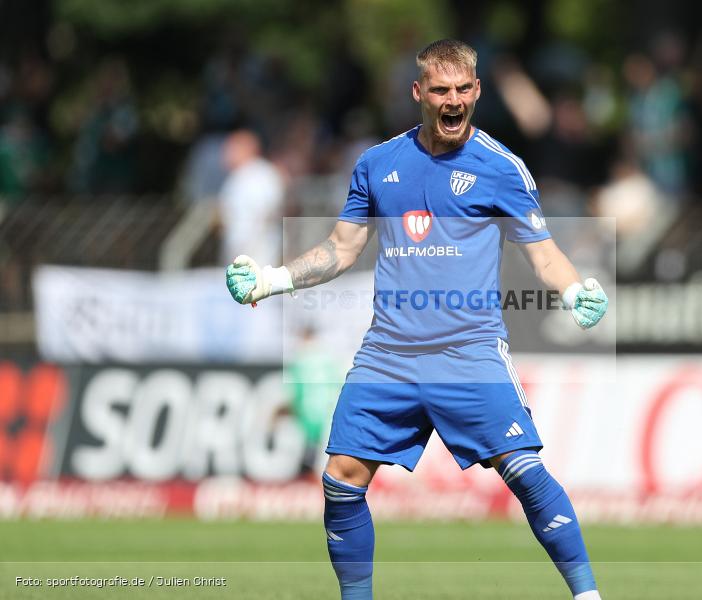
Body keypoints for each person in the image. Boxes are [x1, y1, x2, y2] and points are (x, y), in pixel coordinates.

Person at [226, 39, 608, 600]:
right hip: (389, 355)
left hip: (468, 352)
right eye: (441, 90)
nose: (453, 101)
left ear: (477, 90)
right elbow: (341, 248)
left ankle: (587, 596)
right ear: (418, 93)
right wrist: (272, 279)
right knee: (340, 480)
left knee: (524, 471)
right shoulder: (378, 164)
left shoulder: (501, 167)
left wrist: (575, 291)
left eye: (463, 90)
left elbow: (544, 254)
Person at [218, 129, 284, 267]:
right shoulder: (238, 176)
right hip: (239, 249)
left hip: (259, 249)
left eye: (232, 148)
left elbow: (264, 212)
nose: (226, 153)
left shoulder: (261, 174)